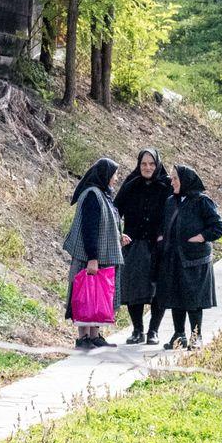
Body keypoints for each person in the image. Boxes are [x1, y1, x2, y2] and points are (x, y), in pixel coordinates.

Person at [155, 165, 222, 350]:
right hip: (173, 258)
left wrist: (200, 237)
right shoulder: (171, 201)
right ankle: (179, 335)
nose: (172, 182)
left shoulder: (202, 201)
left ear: (186, 181)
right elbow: (164, 223)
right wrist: (162, 237)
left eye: (175, 178)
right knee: (176, 298)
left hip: (195, 259)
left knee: (194, 300)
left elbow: (217, 227)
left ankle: (196, 336)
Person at [63, 158, 124, 350]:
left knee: (97, 295)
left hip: (100, 255)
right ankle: (83, 338)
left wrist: (118, 236)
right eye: (114, 174)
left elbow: (106, 225)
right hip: (89, 256)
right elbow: (90, 229)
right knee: (85, 295)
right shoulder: (92, 195)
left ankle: (94, 335)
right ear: (105, 175)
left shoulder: (103, 195)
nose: (116, 178)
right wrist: (92, 258)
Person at [114, 148, 172, 345]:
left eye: (152, 164)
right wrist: (118, 233)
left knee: (159, 289)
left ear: (157, 165)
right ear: (139, 165)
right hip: (134, 244)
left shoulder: (166, 187)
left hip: (158, 245)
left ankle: (153, 330)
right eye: (144, 164)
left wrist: (165, 234)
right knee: (134, 288)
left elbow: (175, 214)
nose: (148, 168)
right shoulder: (131, 186)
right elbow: (115, 211)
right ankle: (137, 329)